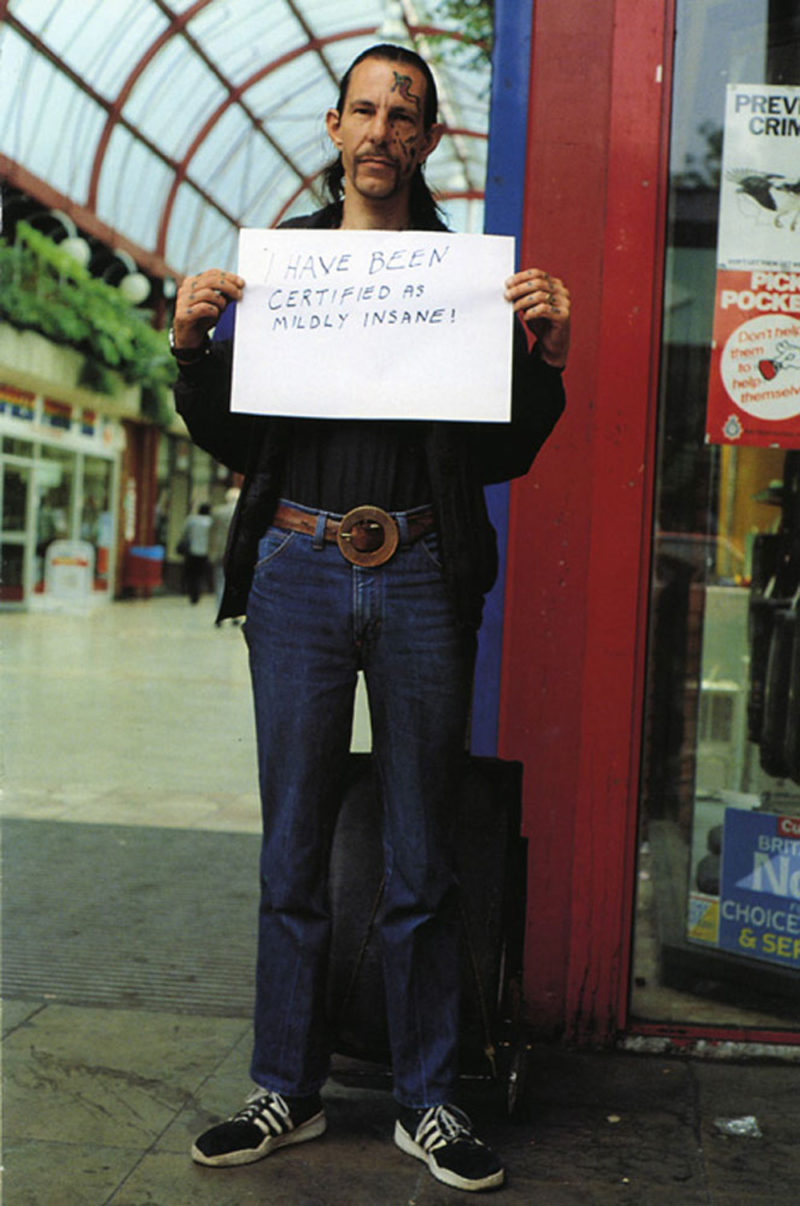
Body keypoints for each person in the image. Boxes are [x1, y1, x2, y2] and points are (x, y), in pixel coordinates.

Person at [172, 43, 570, 1194]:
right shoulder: (282, 270)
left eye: (404, 114)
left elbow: (499, 451)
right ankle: (282, 1092)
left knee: (419, 854)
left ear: (428, 140)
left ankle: (428, 1102)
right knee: (290, 848)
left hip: (418, 572)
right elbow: (241, 438)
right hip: (296, 567)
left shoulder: (461, 281)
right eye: (364, 109)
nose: (381, 132)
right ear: (333, 126)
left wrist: (543, 360)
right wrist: (192, 347)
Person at [179, 502, 213, 604]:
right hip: (205, 552)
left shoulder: (191, 520)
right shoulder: (210, 522)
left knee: (191, 574)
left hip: (192, 551)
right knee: (201, 574)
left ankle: (192, 593)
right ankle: (199, 591)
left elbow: (184, 533)